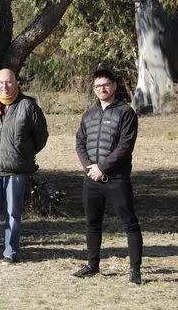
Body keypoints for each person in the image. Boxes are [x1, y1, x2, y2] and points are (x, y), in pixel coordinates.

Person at [71, 69, 143, 284]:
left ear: (114, 86)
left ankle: (135, 270)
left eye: (105, 84)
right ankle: (92, 265)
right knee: (92, 223)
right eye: (97, 86)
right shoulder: (88, 114)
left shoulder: (126, 113)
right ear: (94, 90)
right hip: (91, 180)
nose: (101, 89)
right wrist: (88, 168)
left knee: (130, 224)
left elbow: (125, 147)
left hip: (117, 179)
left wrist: (102, 167)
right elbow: (80, 143)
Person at [0, 68, 48, 264]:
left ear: (15, 83)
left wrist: (24, 153)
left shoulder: (28, 106)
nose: (4, 86)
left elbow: (41, 135)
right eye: (0, 83)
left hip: (16, 170)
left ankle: (10, 252)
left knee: (13, 214)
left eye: (8, 82)